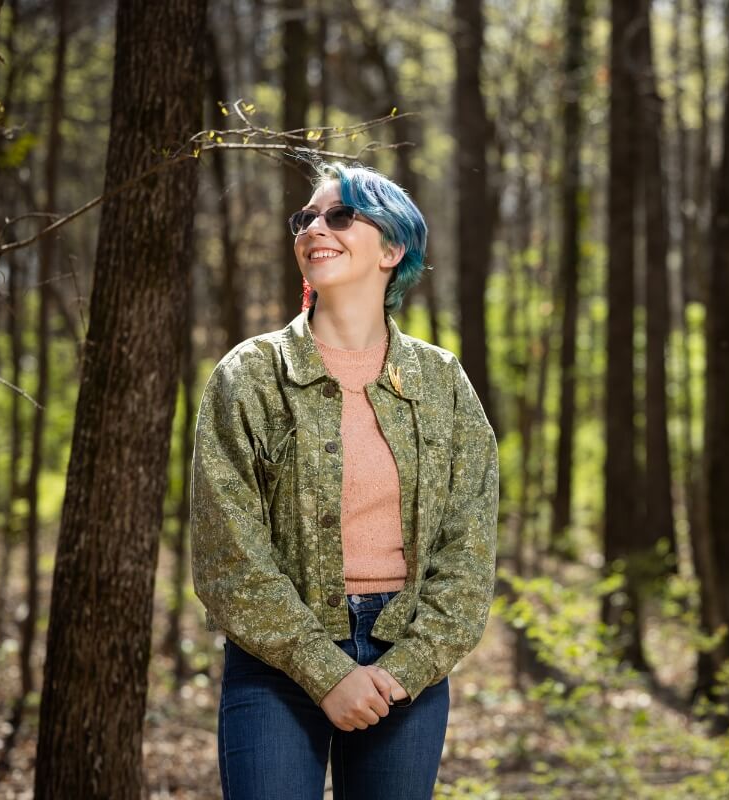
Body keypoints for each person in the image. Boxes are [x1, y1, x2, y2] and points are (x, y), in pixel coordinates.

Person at [190, 162, 499, 800]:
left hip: (405, 659)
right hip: (276, 658)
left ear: (392, 249)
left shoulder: (441, 382)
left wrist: (408, 667)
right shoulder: (250, 375)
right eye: (305, 218)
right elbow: (228, 555)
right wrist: (324, 670)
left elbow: (468, 552)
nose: (314, 228)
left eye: (340, 215)